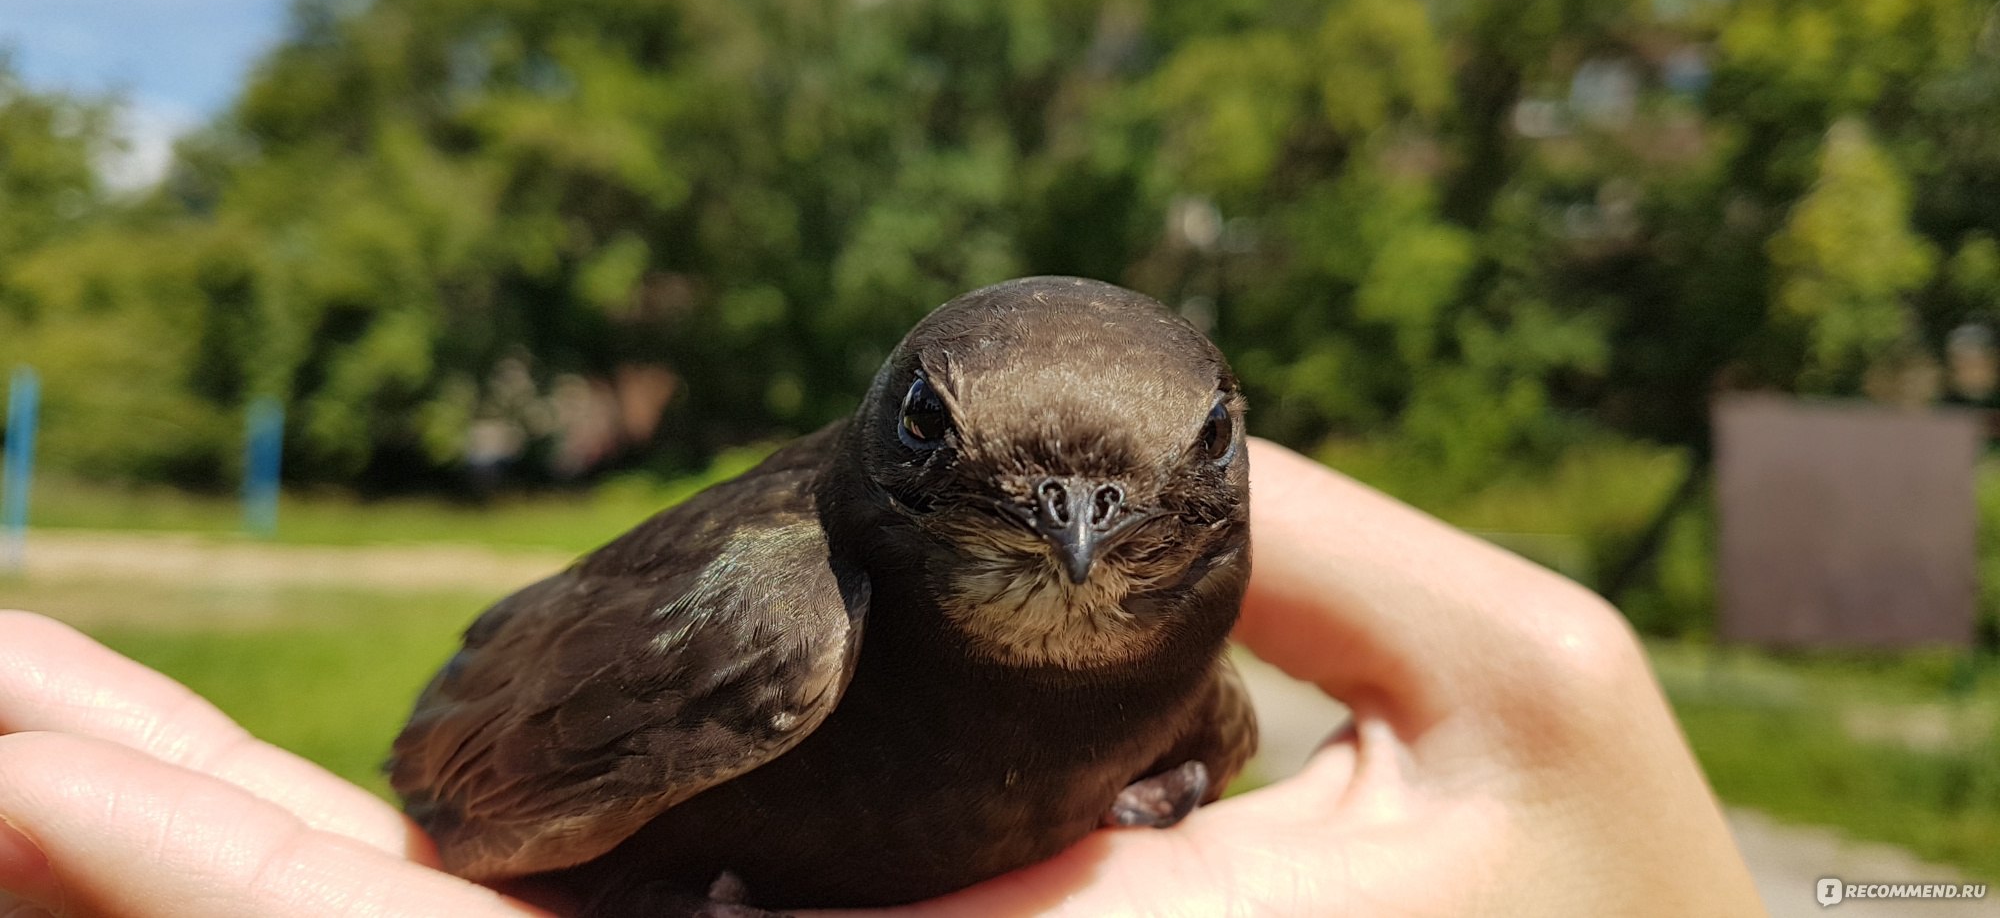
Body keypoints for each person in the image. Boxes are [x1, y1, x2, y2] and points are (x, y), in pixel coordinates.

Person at [0, 440, 1763, 917]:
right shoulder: (792, 617)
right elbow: (462, 768)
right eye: (952, 448)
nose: (1075, 533)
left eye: (1151, 484)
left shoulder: (1188, 690)